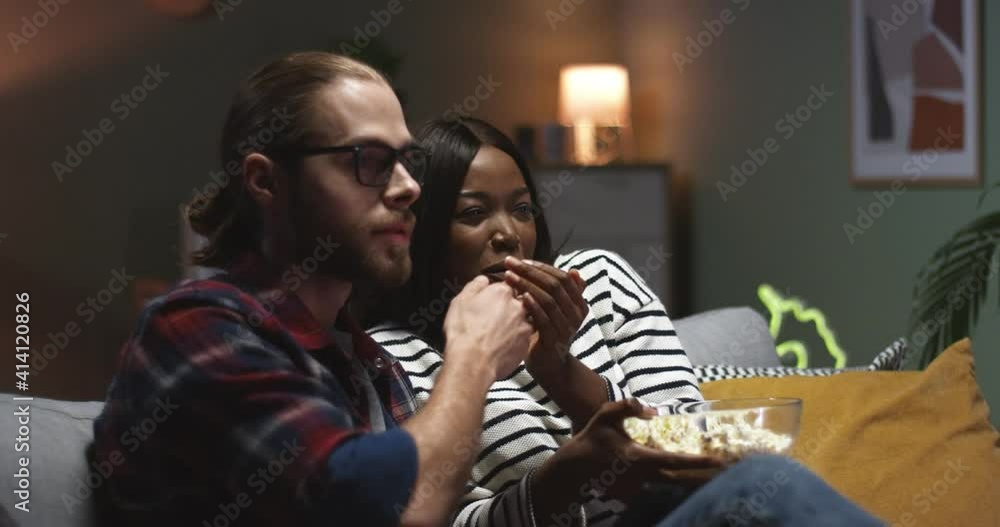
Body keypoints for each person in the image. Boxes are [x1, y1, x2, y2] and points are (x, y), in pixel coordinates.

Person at [90, 52, 537, 527]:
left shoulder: (365, 361)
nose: (409, 188)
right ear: (266, 181)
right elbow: (393, 511)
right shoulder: (194, 329)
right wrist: (474, 355)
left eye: (409, 162)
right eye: (369, 161)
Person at [367, 118, 885, 526]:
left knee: (756, 482)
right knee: (759, 482)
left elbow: (696, 442)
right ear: (427, 232)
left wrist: (561, 371)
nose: (508, 234)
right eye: (474, 213)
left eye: (522, 209)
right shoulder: (392, 357)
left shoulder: (601, 281)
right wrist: (566, 473)